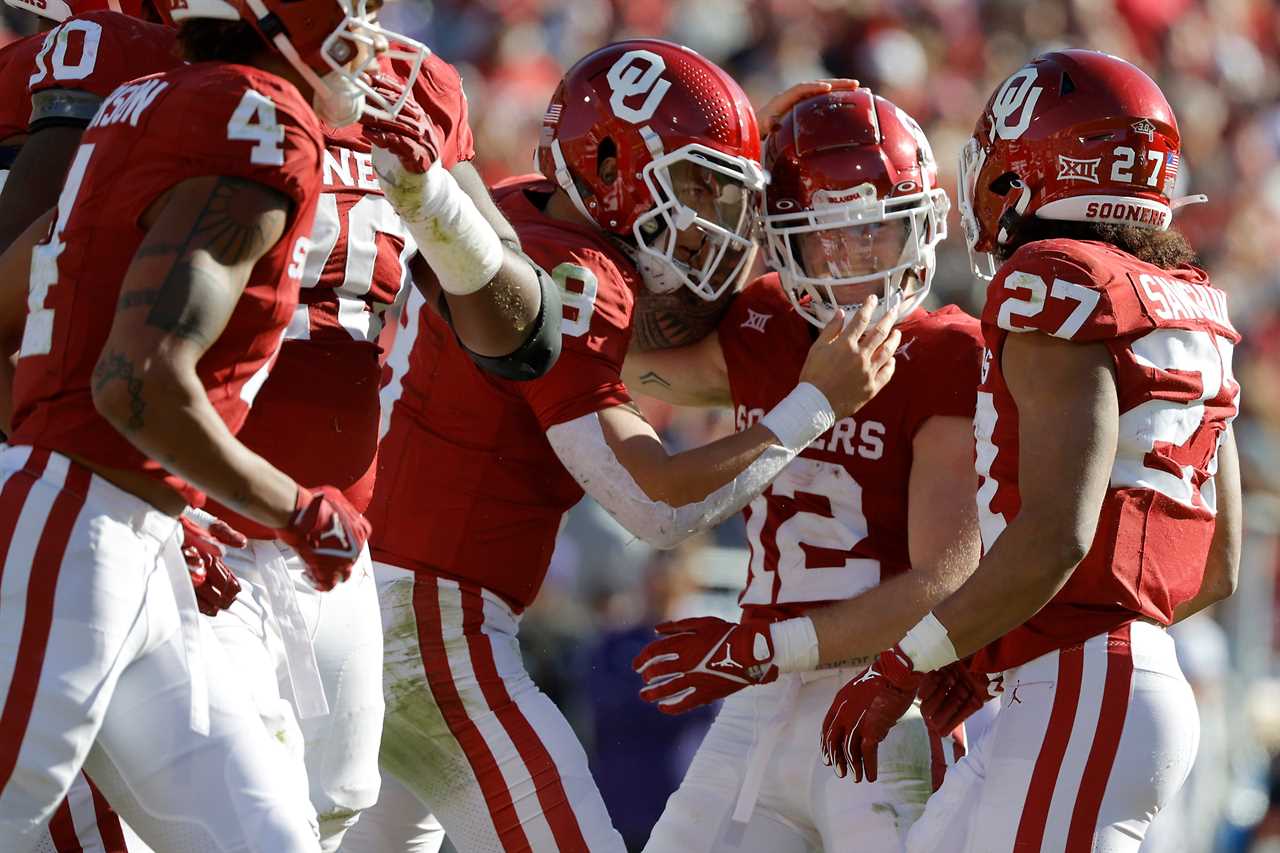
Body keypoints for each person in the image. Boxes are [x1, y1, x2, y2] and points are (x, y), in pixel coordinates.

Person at [351, 39, 899, 852]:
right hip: (434, 628)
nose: (713, 215)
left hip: (377, 597)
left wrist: (754, 140)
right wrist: (814, 405)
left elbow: (637, 339)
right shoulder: (575, 269)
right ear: (607, 162)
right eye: (695, 183)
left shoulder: (520, 210)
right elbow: (653, 502)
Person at [748, 50, 1235, 852]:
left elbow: (1058, 533)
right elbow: (1214, 564)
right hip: (1106, 682)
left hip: (1081, 688)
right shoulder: (1196, 307)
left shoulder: (1052, 278)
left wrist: (911, 660)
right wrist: (995, 643)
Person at [0, 0, 421, 847]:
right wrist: (296, 509)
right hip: (75, 525)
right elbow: (139, 382)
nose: (372, 37)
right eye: (352, 10)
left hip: (130, 528)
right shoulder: (261, 119)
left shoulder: (150, 92)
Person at [628, 88, 982, 852]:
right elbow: (635, 372)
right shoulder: (762, 323)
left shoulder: (945, 351)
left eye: (878, 233)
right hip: (758, 699)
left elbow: (945, 580)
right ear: (783, 241)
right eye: (831, 238)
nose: (856, 259)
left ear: (919, 228)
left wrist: (759, 647)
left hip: (883, 693)